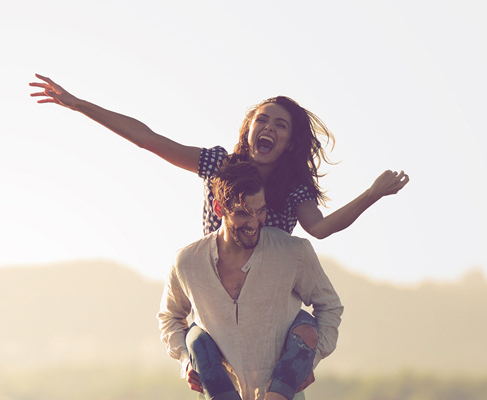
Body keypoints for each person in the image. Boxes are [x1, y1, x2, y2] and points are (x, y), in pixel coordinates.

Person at [28, 74, 409, 238]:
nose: (269, 129)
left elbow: (320, 228)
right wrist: (78, 105)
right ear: (249, 129)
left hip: (268, 293)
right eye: (262, 120)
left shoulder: (292, 189)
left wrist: (373, 193)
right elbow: (147, 138)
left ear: (290, 142)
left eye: (280, 125)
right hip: (216, 285)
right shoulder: (218, 165)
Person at [158, 155, 342, 400]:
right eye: (244, 213)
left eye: (261, 211)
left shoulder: (293, 252)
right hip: (217, 393)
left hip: (282, 394)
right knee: (195, 337)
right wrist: (186, 360)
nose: (254, 223)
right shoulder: (187, 261)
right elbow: (170, 317)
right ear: (218, 209)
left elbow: (329, 306)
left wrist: (311, 358)